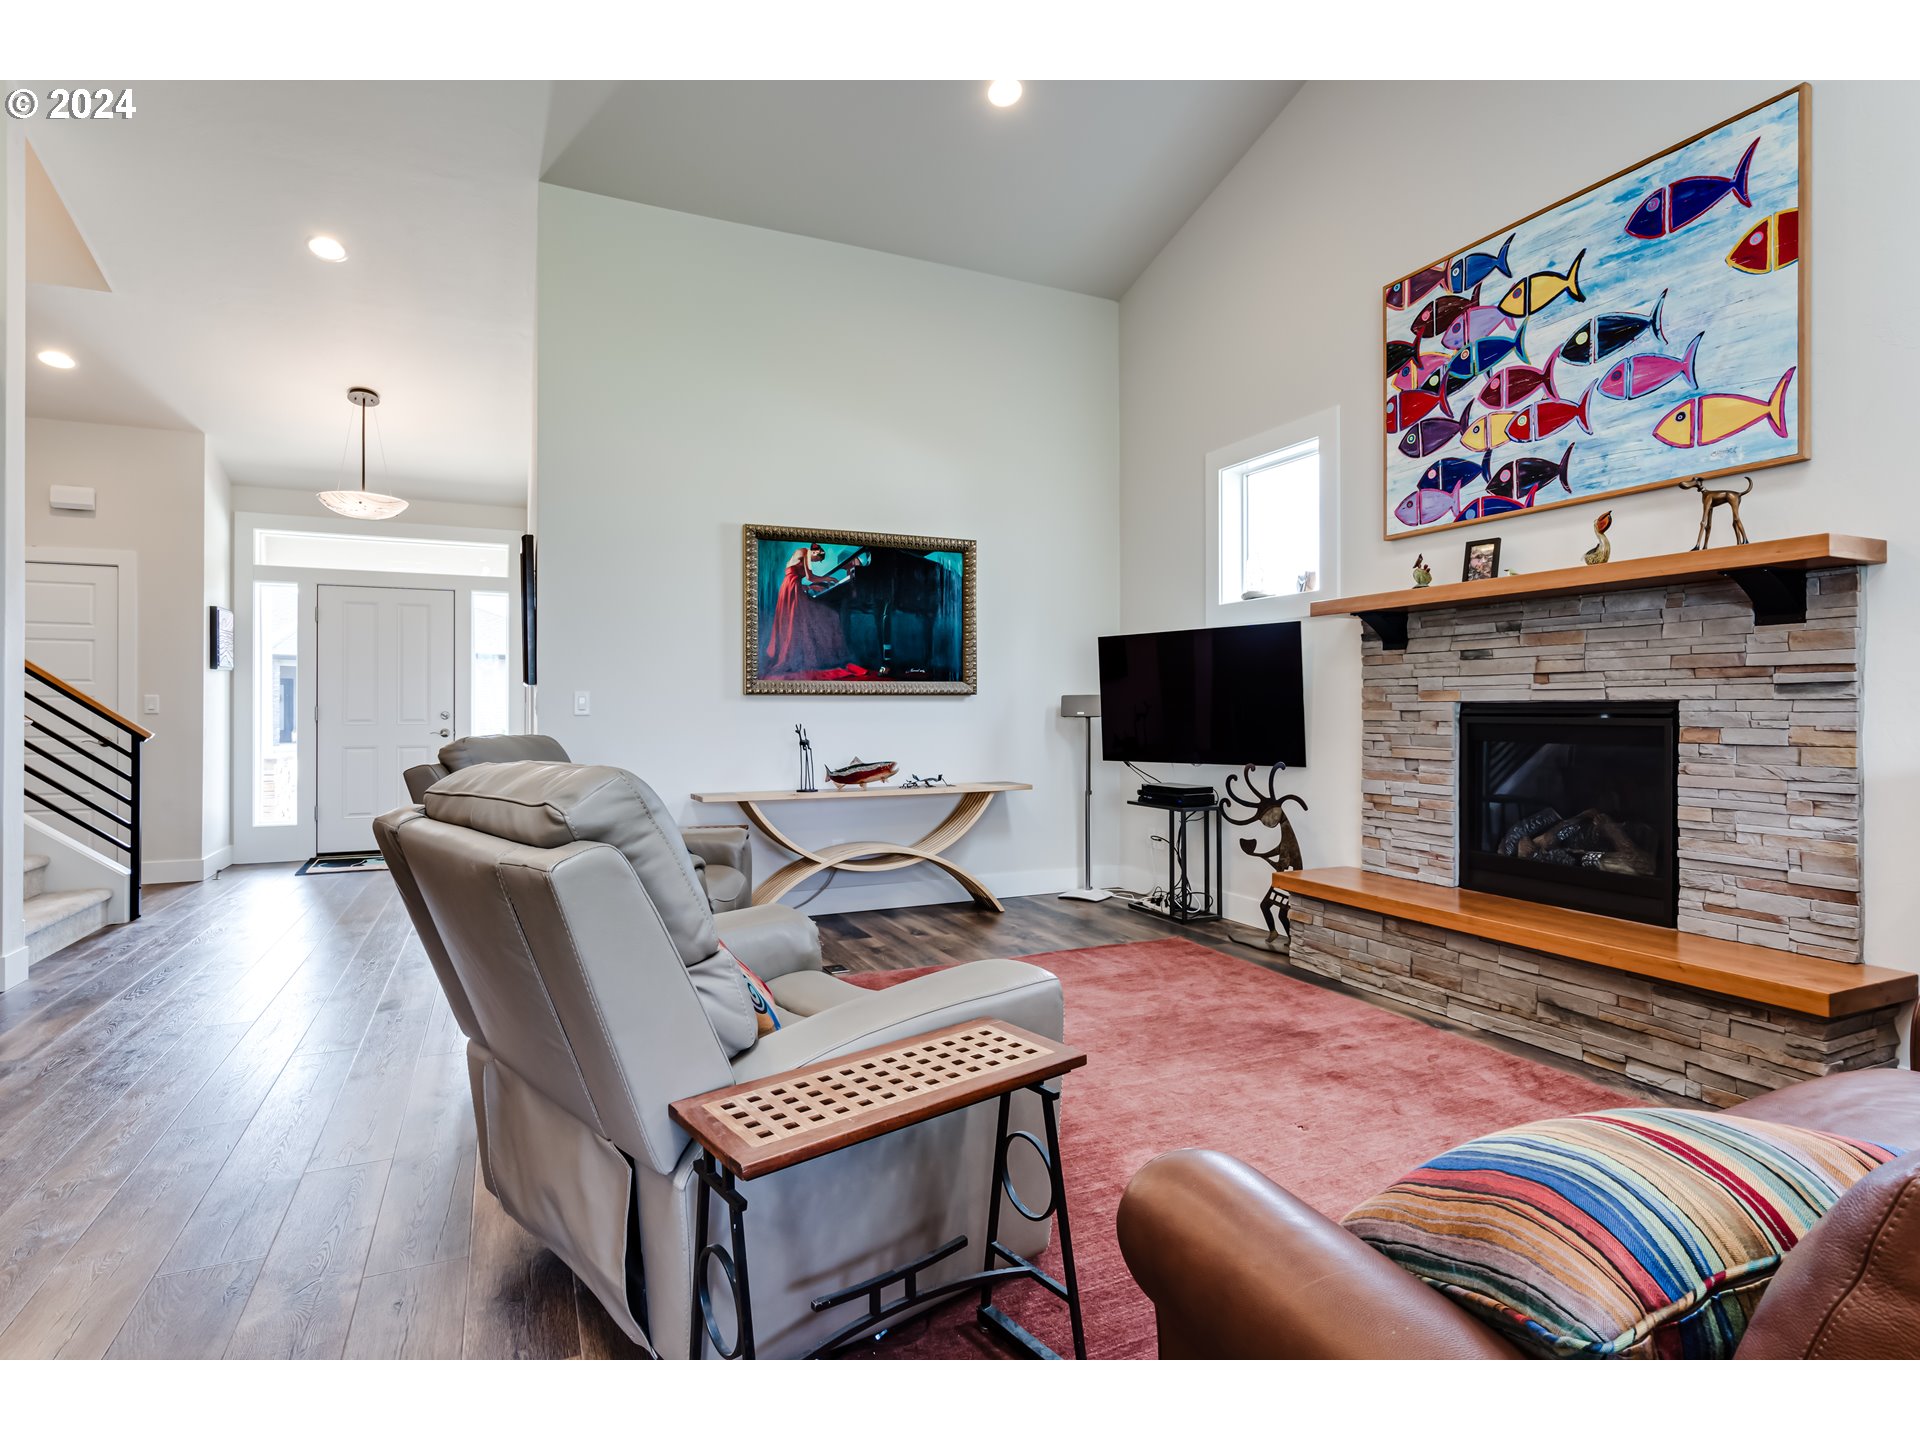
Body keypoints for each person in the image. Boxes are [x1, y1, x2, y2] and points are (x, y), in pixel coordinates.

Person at [765, 544, 865, 676]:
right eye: (816, 560)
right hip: (793, 589)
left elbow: (792, 577)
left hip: (788, 589)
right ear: (816, 552)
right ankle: (832, 655)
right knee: (830, 615)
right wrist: (827, 579)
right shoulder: (806, 551)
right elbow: (810, 577)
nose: (813, 562)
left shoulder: (796, 553)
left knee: (797, 620)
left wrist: (810, 587)